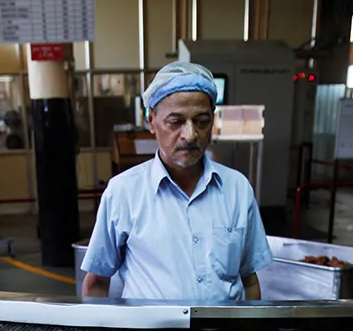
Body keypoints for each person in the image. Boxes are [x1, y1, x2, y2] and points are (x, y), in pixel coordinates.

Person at [81, 62, 271, 302]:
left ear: (212, 120)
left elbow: (250, 280)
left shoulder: (237, 189)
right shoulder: (124, 192)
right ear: (152, 121)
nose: (190, 135)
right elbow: (97, 281)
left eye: (201, 121)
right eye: (176, 121)